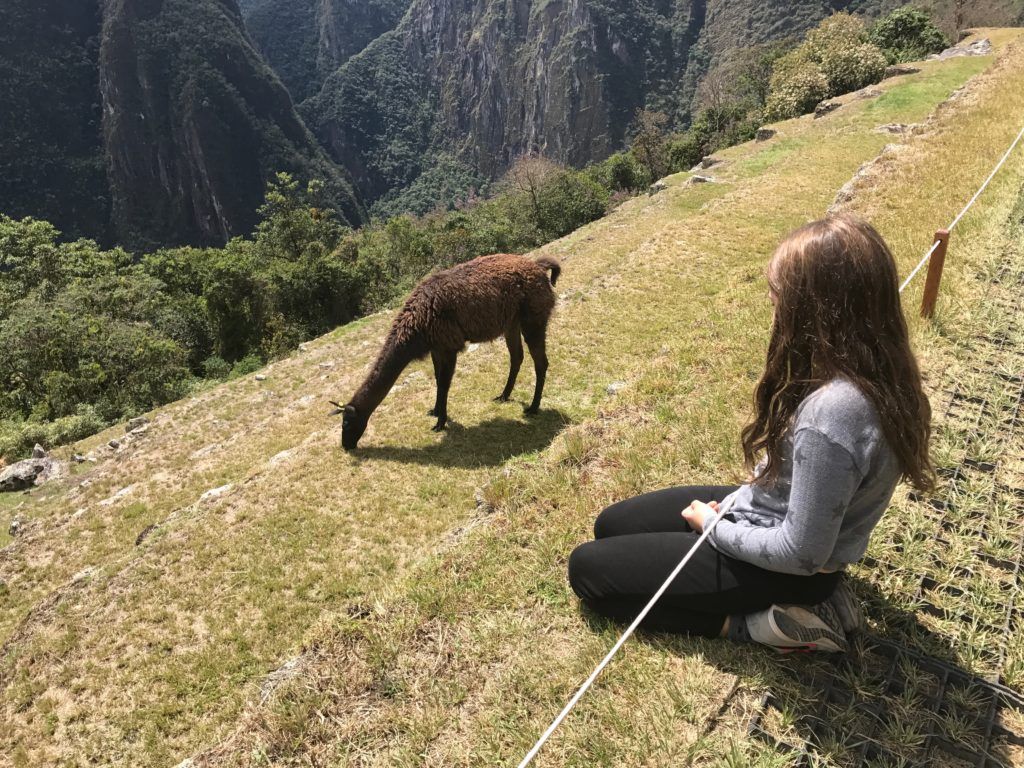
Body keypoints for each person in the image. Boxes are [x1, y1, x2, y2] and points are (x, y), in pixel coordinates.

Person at [568, 215, 934, 652]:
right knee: (612, 524)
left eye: (780, 295)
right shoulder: (877, 370)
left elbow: (800, 552)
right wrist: (742, 503)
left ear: (815, 308)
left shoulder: (833, 413)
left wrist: (714, 526)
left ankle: (759, 624)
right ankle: (811, 595)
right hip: (778, 518)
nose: (773, 303)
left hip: (791, 570)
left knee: (589, 573)